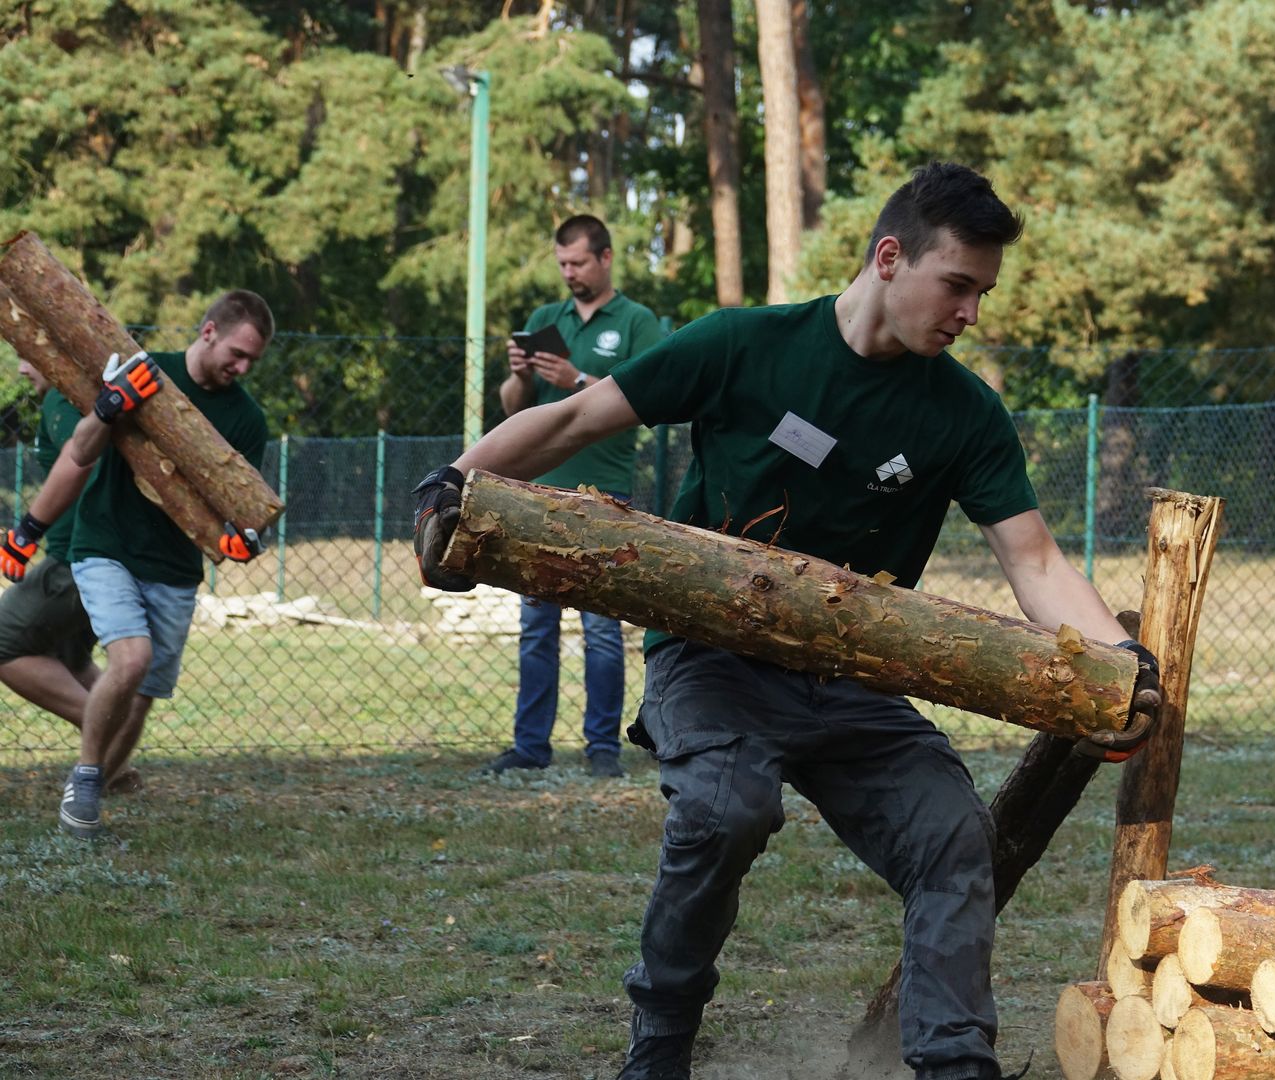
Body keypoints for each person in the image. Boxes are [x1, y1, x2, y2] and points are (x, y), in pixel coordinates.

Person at [412, 163, 1161, 1080]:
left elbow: (1033, 560)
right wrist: (459, 486)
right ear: (890, 257)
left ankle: (951, 1064)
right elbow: (575, 418)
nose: (971, 313)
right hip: (712, 662)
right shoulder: (746, 346)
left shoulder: (964, 412)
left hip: (857, 680)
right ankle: (661, 1047)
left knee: (952, 838)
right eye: (957, 285)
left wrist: (1122, 661)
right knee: (726, 812)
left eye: (983, 293)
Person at [57, 291, 272, 840]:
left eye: (253, 361)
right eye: (237, 353)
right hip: (106, 543)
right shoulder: (143, 371)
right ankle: (84, 776)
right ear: (207, 332)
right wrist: (109, 404)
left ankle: (87, 804)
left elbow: (238, 508)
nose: (242, 367)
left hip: (175, 566)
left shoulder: (247, 419)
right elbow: (81, 450)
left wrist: (245, 538)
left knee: (143, 696)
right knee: (130, 660)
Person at [482, 214, 667, 779]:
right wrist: (518, 375)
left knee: (600, 631)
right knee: (536, 628)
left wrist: (577, 382)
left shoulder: (637, 323)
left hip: (602, 495)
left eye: (579, 263)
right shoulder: (546, 319)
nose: (569, 273)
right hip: (536, 494)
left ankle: (602, 750)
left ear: (606, 258)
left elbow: (652, 399)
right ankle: (530, 746)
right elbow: (517, 410)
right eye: (562, 264)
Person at [0, 359, 110, 773]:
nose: (24, 368)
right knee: (70, 659)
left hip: (75, 560)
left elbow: (83, 467)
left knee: (3, 641)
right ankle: (118, 760)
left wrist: (28, 535)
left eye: (31, 357)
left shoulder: (62, 403)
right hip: (90, 554)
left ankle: (109, 747)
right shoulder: (82, 399)